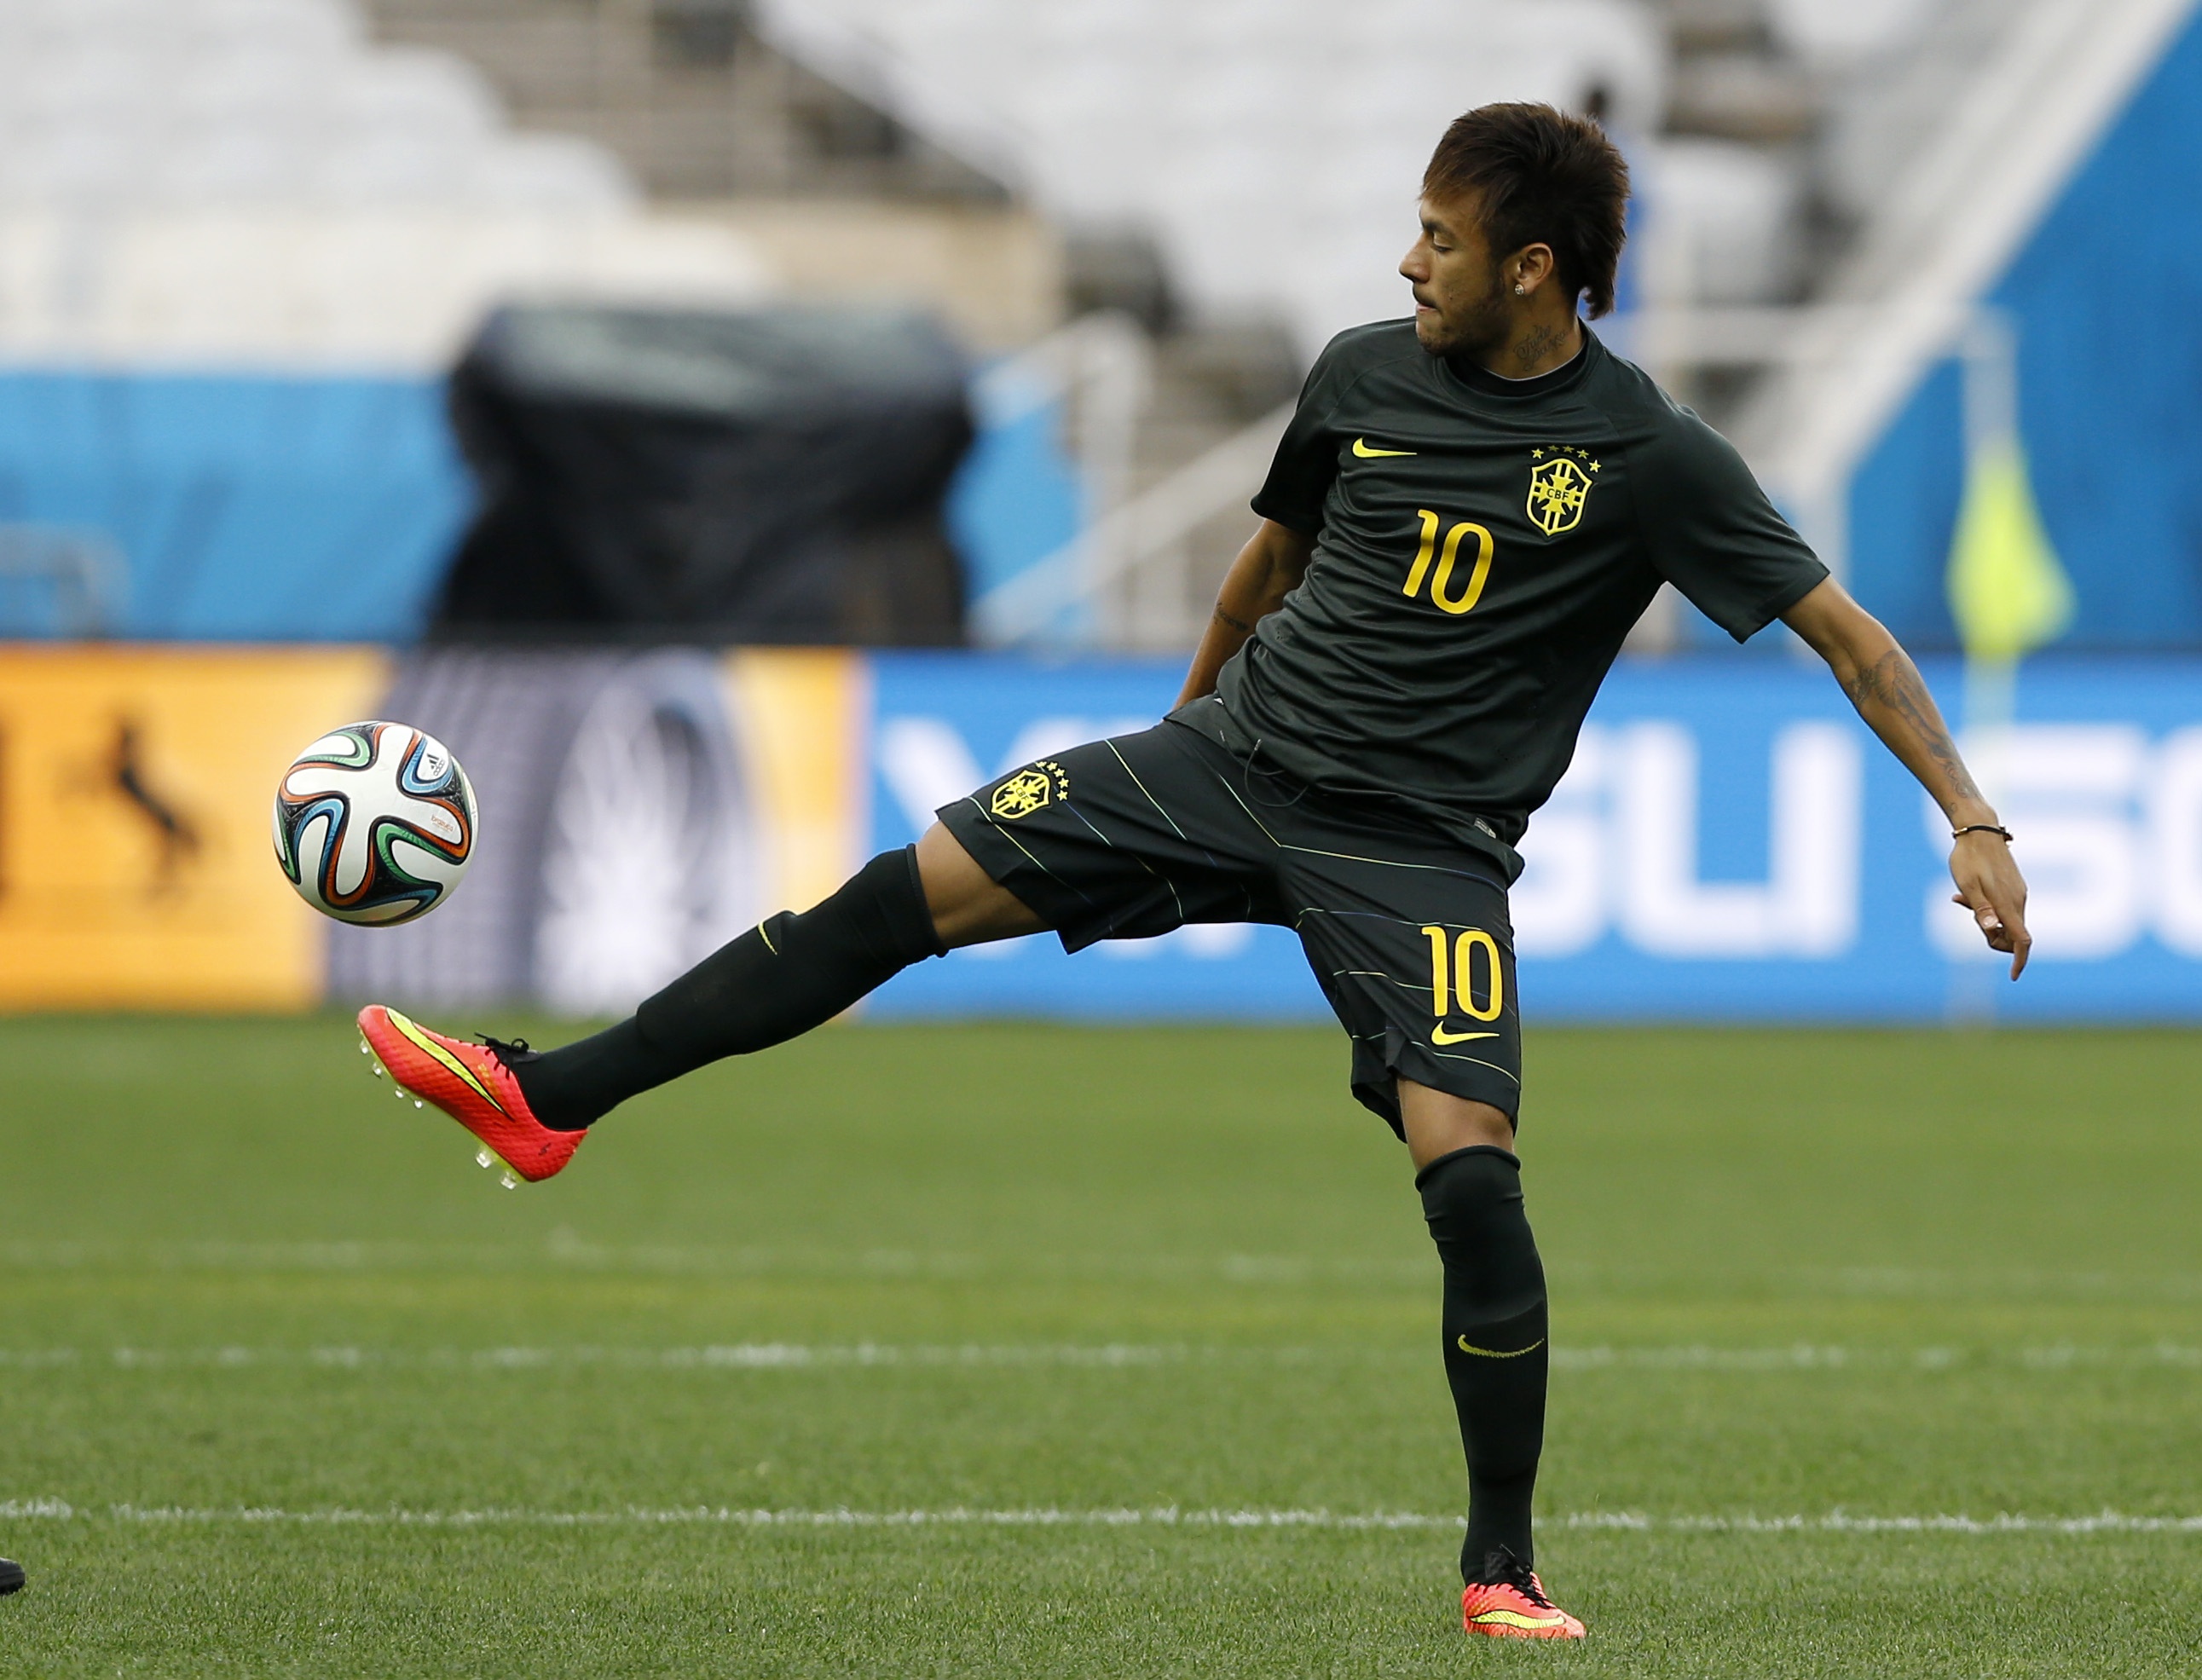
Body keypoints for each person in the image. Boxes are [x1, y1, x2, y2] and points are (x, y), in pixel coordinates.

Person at [361, 102, 2031, 1639]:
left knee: (1471, 1178)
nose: (1408, 263)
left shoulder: (1648, 456)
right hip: (1226, 762)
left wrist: (1970, 820)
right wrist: (1174, 747)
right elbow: (1269, 561)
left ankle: (1502, 1565)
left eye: (1440, 239)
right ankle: (545, 1095)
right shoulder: (1360, 375)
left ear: (1532, 268)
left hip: (1419, 852)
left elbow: (1851, 640)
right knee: (893, 895)